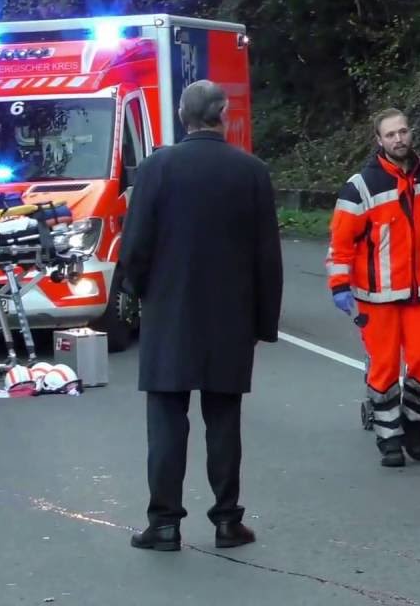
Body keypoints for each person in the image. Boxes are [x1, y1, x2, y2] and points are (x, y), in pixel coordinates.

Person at [119, 79, 283, 551]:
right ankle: (228, 521)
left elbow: (135, 245)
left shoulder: (157, 169)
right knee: (224, 419)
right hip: (230, 317)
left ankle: (164, 522)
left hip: (169, 313)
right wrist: (261, 322)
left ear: (181, 115)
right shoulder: (251, 171)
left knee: (167, 421)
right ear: (222, 115)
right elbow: (266, 256)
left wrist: (137, 293)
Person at [326, 108, 420, 467]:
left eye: (403, 131)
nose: (399, 139)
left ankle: (414, 426)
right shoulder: (360, 186)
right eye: (390, 134)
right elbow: (341, 243)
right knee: (385, 368)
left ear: (411, 133)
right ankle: (389, 438)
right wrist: (339, 285)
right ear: (379, 140)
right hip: (376, 297)